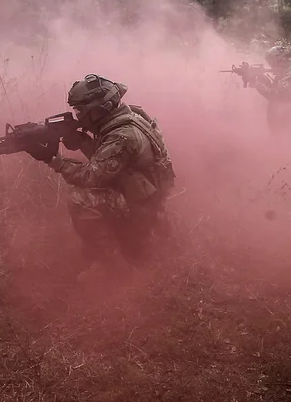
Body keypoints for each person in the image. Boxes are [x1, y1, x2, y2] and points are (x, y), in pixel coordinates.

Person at [23, 74, 176, 279]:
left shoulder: (122, 136)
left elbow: (91, 177)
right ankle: (145, 232)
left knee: (81, 198)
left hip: (143, 208)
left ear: (99, 110)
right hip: (149, 198)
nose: (78, 116)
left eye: (81, 111)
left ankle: (112, 265)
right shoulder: (132, 117)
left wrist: (53, 159)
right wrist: (81, 141)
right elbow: (115, 161)